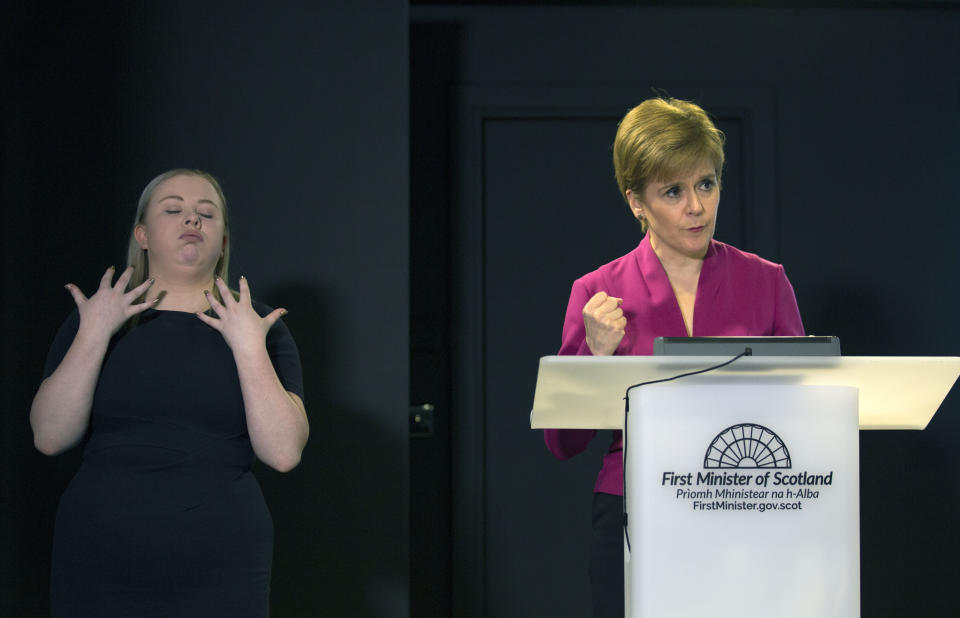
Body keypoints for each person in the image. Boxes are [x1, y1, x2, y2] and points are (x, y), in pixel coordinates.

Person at [543, 98, 804, 618]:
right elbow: (562, 444)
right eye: (673, 191)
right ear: (635, 201)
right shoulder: (596, 293)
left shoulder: (766, 281)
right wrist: (596, 359)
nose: (696, 207)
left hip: (744, 505)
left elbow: (806, 412)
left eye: (706, 184)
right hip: (631, 511)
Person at [30, 169, 309, 617]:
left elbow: (283, 452)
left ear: (222, 240)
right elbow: (49, 436)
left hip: (221, 562)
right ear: (142, 234)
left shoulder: (261, 326)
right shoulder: (97, 318)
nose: (192, 220)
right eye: (174, 209)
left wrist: (248, 346)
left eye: (206, 214)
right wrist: (95, 332)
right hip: (98, 558)